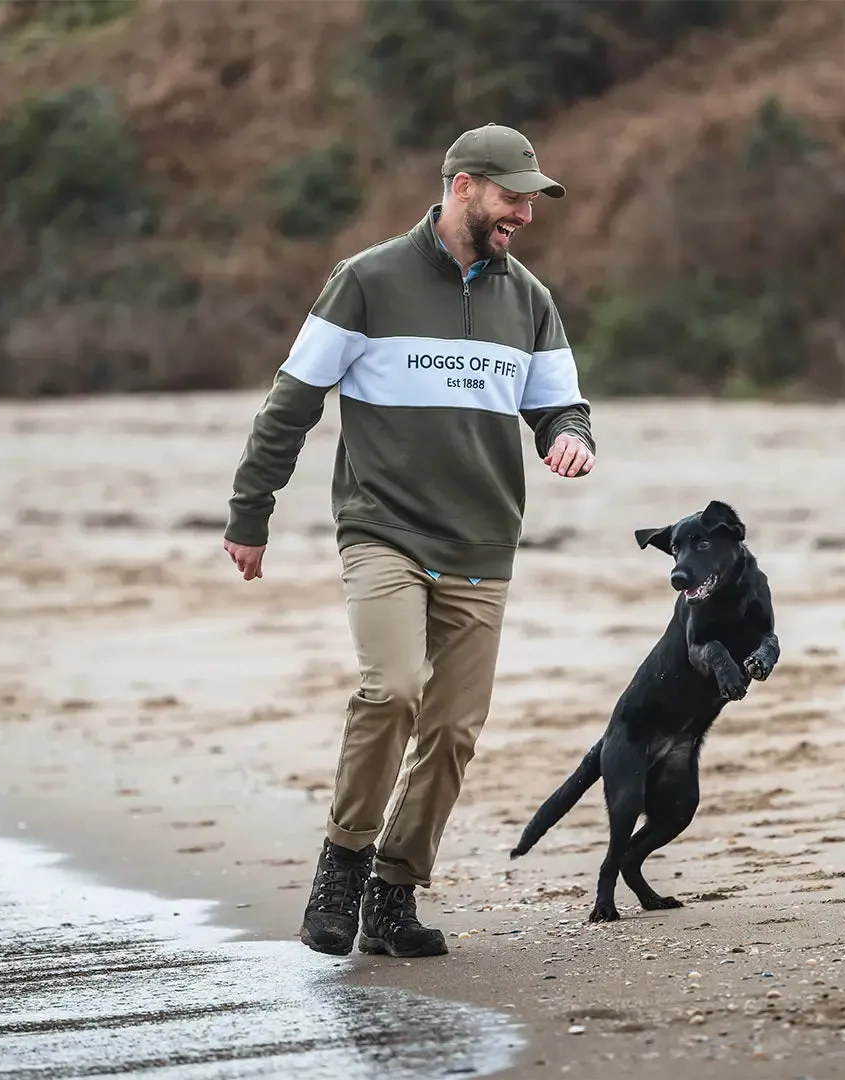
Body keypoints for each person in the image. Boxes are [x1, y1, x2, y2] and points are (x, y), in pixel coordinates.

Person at [222, 122, 596, 959]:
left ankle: (393, 892)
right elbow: (291, 403)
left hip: (482, 543)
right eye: (512, 197)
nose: (524, 216)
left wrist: (570, 436)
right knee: (392, 688)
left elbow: (561, 404)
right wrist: (253, 513)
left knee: (455, 731)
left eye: (531, 200)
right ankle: (342, 864)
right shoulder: (366, 282)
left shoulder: (528, 299)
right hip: (383, 529)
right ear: (462, 186)